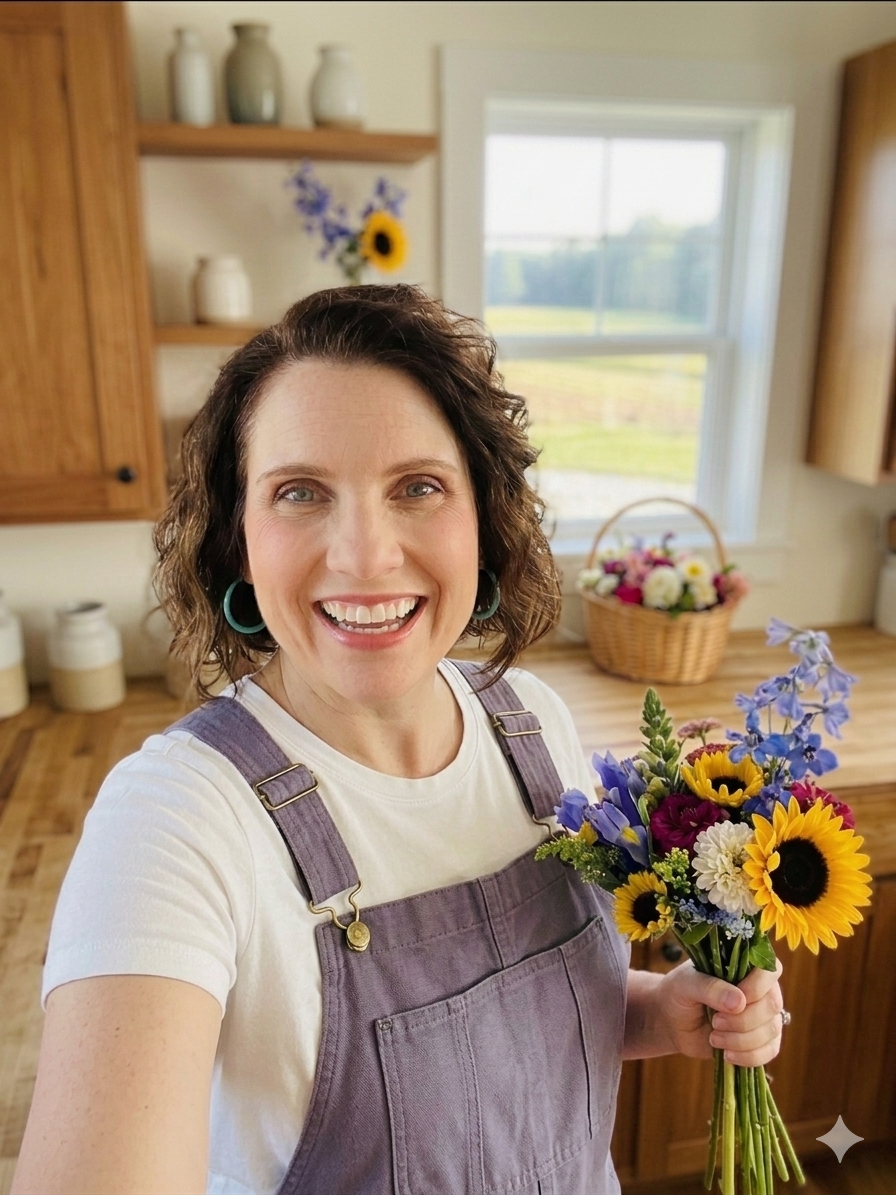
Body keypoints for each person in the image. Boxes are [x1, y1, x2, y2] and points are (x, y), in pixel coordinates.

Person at [13, 286, 784, 1195]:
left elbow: (521, 1034)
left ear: (482, 518)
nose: (365, 553)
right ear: (238, 540)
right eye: (299, 492)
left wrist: (659, 1011)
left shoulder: (534, 727)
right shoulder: (174, 820)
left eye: (417, 486)